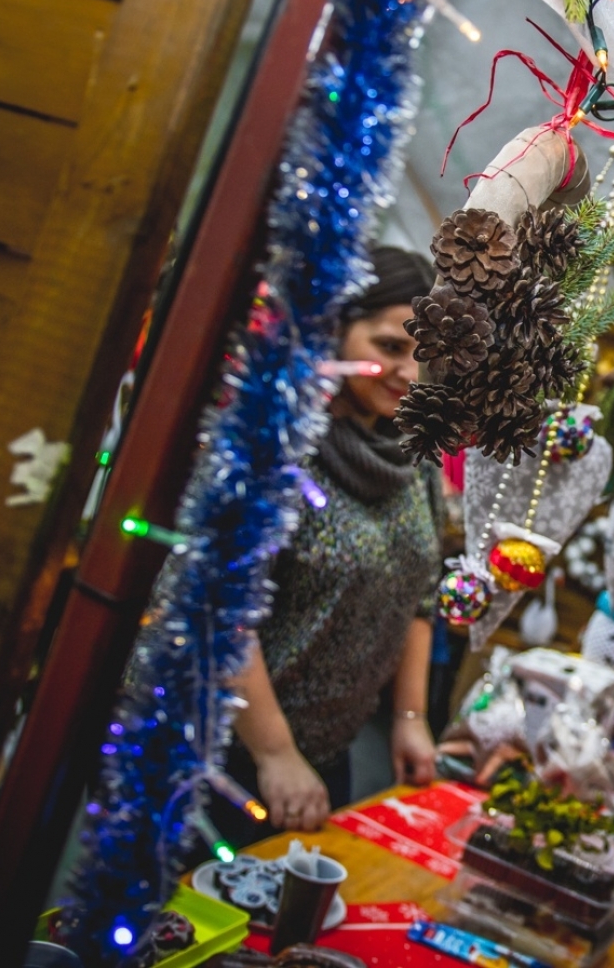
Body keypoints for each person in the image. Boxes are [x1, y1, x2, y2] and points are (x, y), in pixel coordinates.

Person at [223, 248, 443, 839]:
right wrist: (273, 751)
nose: (409, 373)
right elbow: (220, 608)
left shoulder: (412, 458)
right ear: (337, 329)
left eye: (425, 356)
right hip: (231, 756)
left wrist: (410, 716)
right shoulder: (277, 447)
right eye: (390, 347)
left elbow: (419, 598)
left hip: (326, 761)